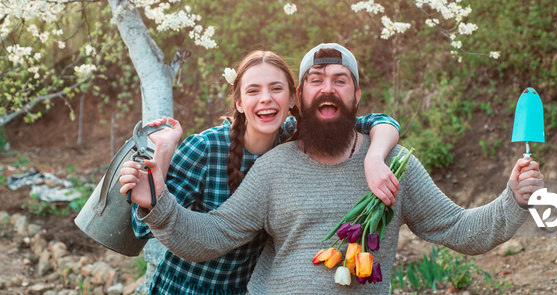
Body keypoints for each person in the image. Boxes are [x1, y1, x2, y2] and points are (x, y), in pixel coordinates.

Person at [121, 43, 544, 294]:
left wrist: (513, 199)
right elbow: (212, 235)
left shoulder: (395, 163)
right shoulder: (274, 166)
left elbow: (459, 229)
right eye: (317, 80)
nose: (328, 89)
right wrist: (158, 204)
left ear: (357, 95)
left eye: (340, 80)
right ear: (299, 97)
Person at [120, 50, 402, 294]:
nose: (265, 99)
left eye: (276, 89)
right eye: (253, 90)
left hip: (246, 288)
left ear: (293, 97)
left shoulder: (295, 139)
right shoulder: (206, 148)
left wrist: (374, 158)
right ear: (240, 102)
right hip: (186, 286)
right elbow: (143, 227)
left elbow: (378, 121)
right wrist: (165, 155)